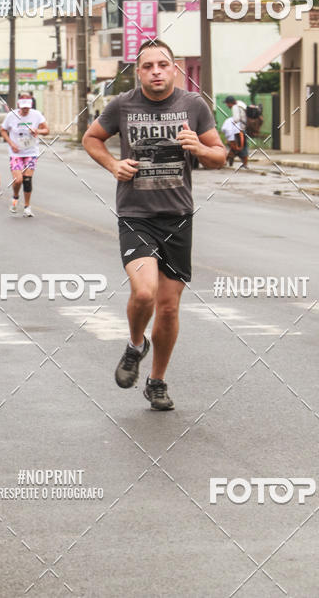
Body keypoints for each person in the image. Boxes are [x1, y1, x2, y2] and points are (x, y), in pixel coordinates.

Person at [82, 39, 225, 410]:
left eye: (163, 65)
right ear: (138, 72)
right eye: (147, 66)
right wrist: (114, 165)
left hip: (177, 217)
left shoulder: (194, 105)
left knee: (169, 308)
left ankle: (157, 381)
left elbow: (219, 156)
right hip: (136, 215)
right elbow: (91, 138)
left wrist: (200, 148)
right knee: (144, 293)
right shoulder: (122, 104)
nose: (156, 72)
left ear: (174, 69)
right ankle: (135, 345)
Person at [0, 91, 49, 218]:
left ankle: (27, 207)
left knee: (27, 180)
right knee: (18, 180)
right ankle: (15, 197)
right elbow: (3, 130)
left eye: (27, 107)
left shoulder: (36, 115)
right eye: (23, 107)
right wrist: (11, 143)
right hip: (16, 153)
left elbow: (47, 130)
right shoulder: (11, 116)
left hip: (31, 152)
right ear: (19, 105)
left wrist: (38, 131)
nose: (26, 109)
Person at [223, 96, 249, 168]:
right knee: (239, 146)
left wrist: (230, 123)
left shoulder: (235, 107)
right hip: (245, 128)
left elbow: (236, 119)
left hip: (239, 130)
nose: (227, 105)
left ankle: (244, 164)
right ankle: (228, 162)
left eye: (227, 104)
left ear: (230, 103)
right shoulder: (241, 104)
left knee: (237, 146)